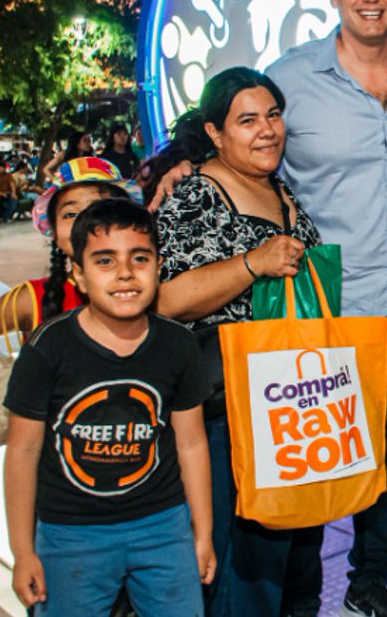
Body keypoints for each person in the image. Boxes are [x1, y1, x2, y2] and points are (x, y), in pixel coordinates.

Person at [149, 0, 387, 616]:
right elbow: (235, 136)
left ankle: (367, 579)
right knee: (308, 453)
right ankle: (288, 587)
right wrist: (184, 166)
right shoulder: (290, 76)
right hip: (324, 311)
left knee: (382, 453)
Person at [148, 67, 323, 617]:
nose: (267, 130)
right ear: (216, 133)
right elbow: (167, 300)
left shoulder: (278, 186)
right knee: (248, 566)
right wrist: (253, 262)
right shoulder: (196, 191)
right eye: (247, 120)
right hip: (232, 412)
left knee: (297, 559)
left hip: (294, 407)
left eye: (273, 115)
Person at [3, 197, 215, 615]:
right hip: (71, 535)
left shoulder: (178, 345)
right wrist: (22, 551)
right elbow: (22, 452)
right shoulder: (48, 348)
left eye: (140, 258)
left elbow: (191, 443)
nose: (124, 273)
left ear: (158, 265)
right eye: (104, 261)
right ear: (78, 275)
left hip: (163, 527)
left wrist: (202, 532)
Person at [0, 157, 140, 348]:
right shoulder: (31, 299)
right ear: (54, 232)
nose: (85, 221)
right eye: (70, 214)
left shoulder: (147, 289)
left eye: (99, 208)